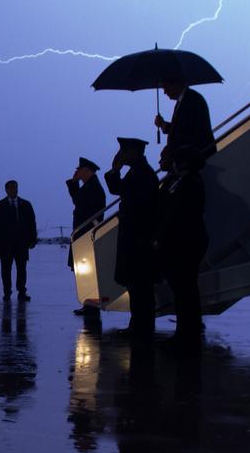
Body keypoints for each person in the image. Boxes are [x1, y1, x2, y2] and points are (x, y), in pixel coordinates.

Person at [104, 138, 159, 336]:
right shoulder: (137, 172)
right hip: (134, 237)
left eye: (124, 152)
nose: (121, 155)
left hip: (139, 239)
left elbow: (131, 197)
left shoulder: (143, 174)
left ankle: (142, 327)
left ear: (134, 153)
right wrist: (115, 171)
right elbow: (117, 189)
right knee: (136, 286)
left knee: (141, 286)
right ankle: (138, 325)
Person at [155, 146, 208, 348]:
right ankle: (185, 334)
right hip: (182, 242)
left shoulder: (189, 183)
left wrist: (160, 236)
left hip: (185, 243)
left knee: (186, 291)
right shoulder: (180, 181)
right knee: (183, 291)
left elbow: (176, 214)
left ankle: (187, 336)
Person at [66, 157, 106, 317]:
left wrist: (74, 183)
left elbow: (80, 204)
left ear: (87, 171)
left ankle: (92, 305)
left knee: (90, 271)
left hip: (86, 234)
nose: (77, 172)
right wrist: (74, 183)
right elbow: (79, 202)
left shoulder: (93, 187)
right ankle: (89, 303)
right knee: (87, 272)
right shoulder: (90, 186)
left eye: (80, 170)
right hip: (83, 233)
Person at [0, 180, 38, 302]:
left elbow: (32, 223)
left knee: (22, 269)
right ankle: (7, 292)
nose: (13, 190)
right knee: (6, 270)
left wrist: (32, 239)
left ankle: (22, 291)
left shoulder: (26, 205)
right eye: (10, 188)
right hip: (4, 244)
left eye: (15, 188)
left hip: (21, 243)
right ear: (6, 190)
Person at [153, 81, 216, 158]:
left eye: (166, 87)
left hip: (199, 156)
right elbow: (183, 128)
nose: (165, 92)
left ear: (176, 83)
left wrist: (164, 125)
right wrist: (163, 125)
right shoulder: (185, 99)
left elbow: (187, 130)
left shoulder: (191, 98)